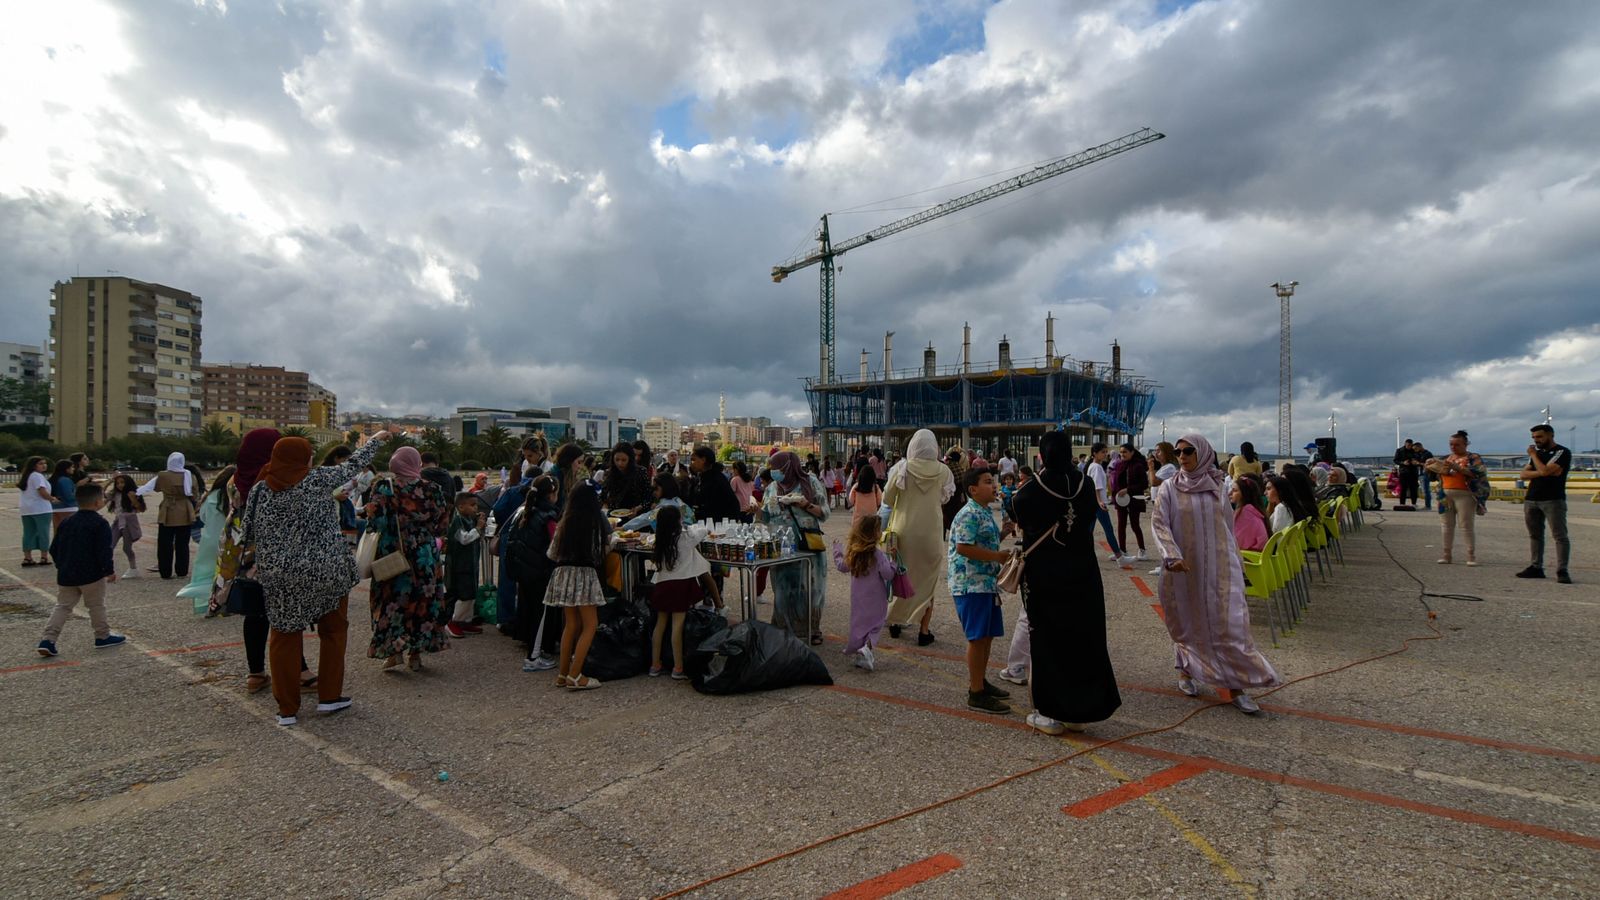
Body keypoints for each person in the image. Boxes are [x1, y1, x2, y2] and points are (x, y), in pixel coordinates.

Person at [240, 433, 384, 725]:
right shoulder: (318, 479)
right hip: (326, 571)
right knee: (333, 632)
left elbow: (247, 534)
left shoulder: (259, 490)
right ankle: (330, 697)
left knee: (283, 636)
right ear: (304, 458)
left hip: (281, 576)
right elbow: (354, 464)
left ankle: (287, 709)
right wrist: (377, 439)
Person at [1150, 434, 1279, 714]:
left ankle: (1237, 686)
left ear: (1203, 453)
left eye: (1188, 451)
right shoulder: (1170, 488)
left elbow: (1227, 527)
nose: (1182, 456)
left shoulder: (1218, 487)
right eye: (1178, 452)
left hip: (1219, 567)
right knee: (1187, 622)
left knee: (1229, 625)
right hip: (1183, 570)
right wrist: (1171, 555)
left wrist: (1236, 561)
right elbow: (1159, 524)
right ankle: (1185, 670)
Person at [1011, 430, 1121, 734]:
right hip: (1082, 570)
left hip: (1046, 573)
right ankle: (1081, 709)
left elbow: (1017, 509)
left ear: (1043, 455)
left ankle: (1051, 711)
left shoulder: (1034, 488)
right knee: (1081, 638)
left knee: (1047, 638)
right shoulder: (1084, 484)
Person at [210, 428, 285, 692]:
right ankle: (299, 671)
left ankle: (256, 674)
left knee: (255, 614)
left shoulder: (235, 479)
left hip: (241, 552)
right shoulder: (272, 480)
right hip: (271, 553)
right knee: (283, 614)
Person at [365, 445, 453, 670]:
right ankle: (416, 655)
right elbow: (442, 523)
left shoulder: (385, 487)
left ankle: (394, 652)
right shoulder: (432, 488)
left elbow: (377, 522)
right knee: (423, 601)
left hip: (394, 552)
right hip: (424, 553)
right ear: (417, 464)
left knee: (392, 601)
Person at [947, 468, 1015, 714]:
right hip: (970, 583)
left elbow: (985, 541)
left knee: (986, 636)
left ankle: (980, 681)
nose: (994, 486)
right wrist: (997, 556)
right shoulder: (969, 513)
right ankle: (975, 693)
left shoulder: (984, 511)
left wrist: (1004, 534)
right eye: (988, 482)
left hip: (985, 583)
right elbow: (964, 547)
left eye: (993, 481)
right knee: (977, 638)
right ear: (972, 489)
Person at [36, 482, 123, 657]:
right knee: (96, 605)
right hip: (91, 574)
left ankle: (48, 639)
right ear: (98, 503)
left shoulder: (67, 521)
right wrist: (108, 570)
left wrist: (62, 565)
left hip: (67, 573)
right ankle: (102, 635)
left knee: (62, 606)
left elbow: (54, 548)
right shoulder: (99, 523)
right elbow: (104, 550)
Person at [884, 430, 954, 646]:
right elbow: (945, 497)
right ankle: (924, 630)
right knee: (928, 581)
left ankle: (895, 621)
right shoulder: (944, 470)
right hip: (931, 532)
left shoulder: (902, 468)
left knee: (900, 575)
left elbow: (887, 498)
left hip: (904, 531)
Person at [546, 481, 613, 690]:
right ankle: (576, 675)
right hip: (584, 574)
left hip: (563, 573)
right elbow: (598, 555)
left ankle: (563, 673)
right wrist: (613, 543)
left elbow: (552, 553)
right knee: (590, 625)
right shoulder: (593, 523)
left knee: (571, 625)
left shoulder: (564, 522)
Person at [761, 450, 830, 643]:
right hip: (781, 547)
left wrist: (805, 504)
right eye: (772, 469)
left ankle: (811, 630)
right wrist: (755, 511)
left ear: (789, 467)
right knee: (782, 590)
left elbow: (824, 513)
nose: (774, 472)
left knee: (809, 589)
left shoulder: (811, 482)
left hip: (806, 545)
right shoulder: (772, 488)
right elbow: (765, 516)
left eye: (777, 468)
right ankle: (783, 631)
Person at [647, 505, 720, 680]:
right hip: (680, 586)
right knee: (677, 626)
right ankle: (678, 667)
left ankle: (654, 665)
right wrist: (690, 526)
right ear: (678, 521)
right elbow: (702, 531)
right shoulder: (686, 538)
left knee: (660, 625)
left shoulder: (659, 540)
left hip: (662, 585)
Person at [506, 475, 562, 672]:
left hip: (523, 570)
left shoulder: (524, 512)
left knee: (530, 612)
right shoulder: (548, 515)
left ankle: (535, 651)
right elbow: (555, 544)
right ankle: (533, 657)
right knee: (540, 615)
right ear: (552, 494)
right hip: (540, 571)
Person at [832, 514, 896, 672]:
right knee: (876, 625)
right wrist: (894, 562)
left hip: (858, 598)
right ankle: (865, 649)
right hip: (876, 599)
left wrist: (837, 551)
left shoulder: (854, 553)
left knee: (860, 625)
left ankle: (861, 654)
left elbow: (841, 566)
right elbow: (888, 574)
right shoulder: (878, 555)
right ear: (874, 534)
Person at [1519, 424, 1571, 583]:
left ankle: (1562, 570)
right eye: (1534, 438)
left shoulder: (1561, 452)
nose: (1536, 441)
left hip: (1553, 499)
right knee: (1535, 535)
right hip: (1532, 498)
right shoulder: (1538, 453)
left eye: (1539, 437)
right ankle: (1536, 567)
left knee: (1560, 536)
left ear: (1550, 435)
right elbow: (1523, 474)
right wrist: (1541, 470)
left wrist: (1534, 457)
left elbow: (1544, 471)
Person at [136, 452, 200, 579]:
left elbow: (156, 488)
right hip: (184, 508)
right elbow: (194, 492)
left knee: (164, 543)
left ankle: (165, 571)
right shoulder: (189, 475)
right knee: (183, 543)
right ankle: (182, 570)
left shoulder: (163, 475)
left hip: (168, 508)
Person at [1428, 430, 1485, 566]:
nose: (1453, 447)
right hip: (1445, 494)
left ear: (1465, 444)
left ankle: (1471, 555)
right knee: (1446, 525)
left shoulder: (1473, 457)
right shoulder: (1447, 458)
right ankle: (1446, 554)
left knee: (1466, 525)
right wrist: (1432, 466)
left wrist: (1458, 468)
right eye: (1451, 444)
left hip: (1465, 494)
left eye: (1457, 445)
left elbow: (1478, 472)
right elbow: (1437, 475)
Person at [176, 467, 232, 604]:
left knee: (206, 573)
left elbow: (203, 516)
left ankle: (206, 602)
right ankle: (224, 601)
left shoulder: (210, 496)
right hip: (227, 539)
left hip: (209, 539)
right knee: (226, 573)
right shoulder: (233, 495)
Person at [445, 492, 488, 638]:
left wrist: (478, 525)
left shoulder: (468, 518)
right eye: (472, 505)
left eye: (476, 505)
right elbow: (463, 539)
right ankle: (453, 621)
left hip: (470, 564)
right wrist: (477, 528)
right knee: (462, 594)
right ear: (461, 506)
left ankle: (465, 621)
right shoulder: (457, 520)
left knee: (471, 592)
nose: (475, 508)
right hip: (459, 565)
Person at [1087, 443, 1135, 567]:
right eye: (1103, 452)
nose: (1105, 454)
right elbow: (1097, 486)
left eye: (1105, 451)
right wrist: (1099, 501)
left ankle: (1084, 555)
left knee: (1089, 531)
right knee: (1108, 529)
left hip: (1094, 503)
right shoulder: (1096, 467)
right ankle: (1119, 557)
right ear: (1095, 453)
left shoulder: (1093, 466)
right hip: (1099, 503)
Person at [1112, 444, 1150, 561]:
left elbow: (1144, 484)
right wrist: (1115, 497)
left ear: (1132, 452)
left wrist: (1128, 489)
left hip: (1134, 499)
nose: (1122, 454)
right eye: (1121, 452)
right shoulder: (1118, 465)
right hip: (1121, 500)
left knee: (1135, 525)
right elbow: (1115, 483)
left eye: (1125, 452)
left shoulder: (1138, 466)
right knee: (1121, 525)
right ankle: (1122, 551)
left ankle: (1142, 550)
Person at [622, 473, 695, 531]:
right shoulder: (678, 501)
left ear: (665, 487)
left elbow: (648, 517)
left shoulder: (665, 507)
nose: (653, 492)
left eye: (655, 488)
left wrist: (624, 527)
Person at [688, 446, 741, 525]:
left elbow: (732, 505)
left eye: (693, 460)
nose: (691, 463)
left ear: (703, 460)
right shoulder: (701, 478)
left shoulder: (717, 479)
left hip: (717, 527)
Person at [18, 456, 56, 567]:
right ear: (34, 465)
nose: (44, 465)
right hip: (41, 508)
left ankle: (27, 557)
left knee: (28, 533)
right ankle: (44, 556)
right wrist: (52, 499)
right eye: (40, 463)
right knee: (43, 532)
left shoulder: (26, 476)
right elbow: (42, 491)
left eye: (44, 463)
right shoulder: (37, 476)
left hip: (26, 509)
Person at [600, 442, 651, 517]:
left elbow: (648, 497)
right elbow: (603, 496)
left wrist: (638, 508)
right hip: (614, 516)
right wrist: (604, 507)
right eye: (617, 460)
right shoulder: (609, 473)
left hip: (635, 517)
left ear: (630, 459)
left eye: (624, 460)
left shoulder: (641, 472)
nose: (620, 463)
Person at [1231, 476, 1269, 553]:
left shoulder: (1246, 513)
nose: (1230, 493)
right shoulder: (1253, 510)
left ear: (1244, 494)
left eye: (1234, 490)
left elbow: (1237, 543)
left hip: (1250, 559)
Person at [49, 459, 78, 529]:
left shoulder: (53, 479)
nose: (73, 469)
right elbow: (69, 496)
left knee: (58, 532)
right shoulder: (65, 480)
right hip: (68, 508)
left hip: (55, 508)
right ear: (66, 469)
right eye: (72, 467)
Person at [1394, 439, 1420, 507]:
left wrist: (1415, 462)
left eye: (1410, 445)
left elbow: (1419, 459)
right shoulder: (1399, 450)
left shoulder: (1414, 450)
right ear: (1405, 444)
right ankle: (1402, 503)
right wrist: (1403, 463)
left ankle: (1414, 503)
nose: (1409, 446)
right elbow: (1395, 460)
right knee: (1403, 488)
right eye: (1408, 445)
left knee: (1413, 488)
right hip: (1404, 472)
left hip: (1413, 472)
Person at [1414, 442, 1435, 510]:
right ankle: (1427, 505)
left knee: (1426, 490)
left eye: (1416, 449)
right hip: (1419, 473)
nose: (1415, 450)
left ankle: (1428, 506)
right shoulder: (1418, 454)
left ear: (1420, 447)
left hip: (1425, 473)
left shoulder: (1428, 454)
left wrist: (1419, 463)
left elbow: (1431, 464)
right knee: (1424, 490)